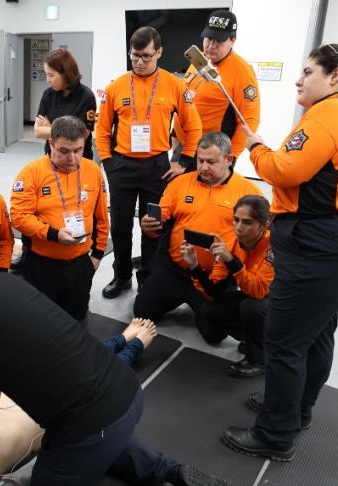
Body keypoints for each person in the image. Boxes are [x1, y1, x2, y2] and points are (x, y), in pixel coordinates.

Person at [0, 247, 228, 486]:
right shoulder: (1, 282)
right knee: (102, 442)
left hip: (89, 423)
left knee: (60, 465)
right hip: (127, 392)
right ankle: (169, 471)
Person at [222, 44, 338, 461]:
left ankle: (275, 434)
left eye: (308, 71)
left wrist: (256, 147)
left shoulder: (331, 113)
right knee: (316, 333)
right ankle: (296, 410)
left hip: (323, 244)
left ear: (335, 75)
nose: (299, 79)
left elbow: (283, 169)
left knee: (284, 341)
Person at [96, 26, 203, 298]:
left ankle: (148, 278)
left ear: (159, 53)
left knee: (153, 226)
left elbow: (193, 127)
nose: (140, 62)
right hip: (122, 167)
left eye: (146, 56)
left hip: (157, 168)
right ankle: (121, 276)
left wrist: (184, 162)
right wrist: (108, 164)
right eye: (135, 56)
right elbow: (102, 130)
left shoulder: (174, 85)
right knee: (120, 226)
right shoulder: (116, 87)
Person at [134, 132, 262, 324]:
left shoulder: (248, 192)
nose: (203, 167)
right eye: (200, 160)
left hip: (214, 277)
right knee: (142, 313)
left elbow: (260, 238)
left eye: (211, 162)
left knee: (214, 332)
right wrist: (149, 226)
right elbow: (160, 221)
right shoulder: (180, 183)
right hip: (175, 270)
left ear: (228, 160)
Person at [10, 116, 108, 321]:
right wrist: (54, 234)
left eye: (78, 150)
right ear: (51, 143)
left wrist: (98, 255)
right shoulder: (32, 173)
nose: (72, 158)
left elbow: (101, 216)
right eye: (64, 151)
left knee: (76, 319)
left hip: (81, 265)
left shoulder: (92, 170)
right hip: (42, 266)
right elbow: (19, 217)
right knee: (40, 321)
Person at [182, 195, 273, 378]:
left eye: (247, 222)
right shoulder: (231, 242)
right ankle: (253, 338)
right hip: (253, 294)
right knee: (209, 312)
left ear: (264, 225)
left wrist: (231, 261)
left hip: (281, 301)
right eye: (236, 220)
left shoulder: (273, 247)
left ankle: (259, 359)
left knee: (252, 307)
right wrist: (195, 267)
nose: (239, 227)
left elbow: (259, 291)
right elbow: (214, 292)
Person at [173, 9, 260, 162]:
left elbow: (249, 120)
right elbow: (186, 99)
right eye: (208, 38)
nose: (211, 45)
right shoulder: (199, 60)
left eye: (219, 40)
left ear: (233, 39)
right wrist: (175, 135)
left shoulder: (242, 72)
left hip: (212, 155)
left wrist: (230, 158)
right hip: (184, 147)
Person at [35, 48, 97, 160]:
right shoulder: (48, 95)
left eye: (51, 75)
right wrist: (68, 132)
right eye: (46, 75)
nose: (48, 80)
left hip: (78, 161)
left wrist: (50, 127)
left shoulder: (86, 97)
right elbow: (38, 132)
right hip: (52, 159)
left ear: (65, 73)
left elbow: (81, 136)